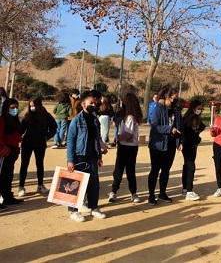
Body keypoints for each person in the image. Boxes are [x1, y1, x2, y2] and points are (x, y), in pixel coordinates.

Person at [66, 91, 107, 222]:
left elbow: (97, 139)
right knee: (75, 183)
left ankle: (94, 208)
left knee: (94, 183)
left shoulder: (95, 121)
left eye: (95, 103)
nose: (94, 105)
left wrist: (99, 156)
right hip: (79, 155)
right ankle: (73, 211)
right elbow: (71, 140)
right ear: (83, 104)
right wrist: (70, 160)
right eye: (91, 103)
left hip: (92, 156)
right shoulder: (76, 120)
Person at [147, 87, 181, 205]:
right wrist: (169, 129)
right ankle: (151, 194)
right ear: (167, 97)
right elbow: (154, 126)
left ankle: (162, 193)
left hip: (170, 145)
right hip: (158, 145)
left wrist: (179, 142)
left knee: (166, 170)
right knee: (155, 170)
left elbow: (179, 127)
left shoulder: (176, 111)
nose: (175, 100)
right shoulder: (158, 109)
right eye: (173, 98)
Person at [18, 96, 57, 196]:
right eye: (30, 106)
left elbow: (54, 127)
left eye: (34, 105)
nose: (32, 108)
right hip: (27, 143)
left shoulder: (46, 115)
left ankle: (40, 185)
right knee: (24, 164)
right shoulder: (28, 115)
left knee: (39, 164)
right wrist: (17, 138)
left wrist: (47, 136)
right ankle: (21, 186)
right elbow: (21, 129)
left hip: (40, 143)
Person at [108, 92, 143, 204]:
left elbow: (128, 133)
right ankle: (114, 191)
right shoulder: (126, 116)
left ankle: (133, 193)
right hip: (127, 146)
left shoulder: (131, 118)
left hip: (128, 147)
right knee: (120, 170)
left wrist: (118, 138)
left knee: (127, 170)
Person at [179, 100, 207, 201]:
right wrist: (197, 138)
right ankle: (189, 191)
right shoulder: (187, 119)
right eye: (198, 108)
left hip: (193, 145)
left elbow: (202, 126)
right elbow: (186, 134)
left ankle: (185, 189)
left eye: (201, 108)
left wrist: (198, 132)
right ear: (193, 108)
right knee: (190, 166)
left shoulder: (196, 118)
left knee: (187, 166)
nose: (199, 110)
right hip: (187, 145)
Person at [0, 98, 24, 207]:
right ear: (6, 108)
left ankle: (8, 197)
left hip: (12, 151)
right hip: (4, 152)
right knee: (1, 176)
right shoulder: (2, 120)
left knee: (8, 176)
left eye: (16, 107)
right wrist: (3, 149)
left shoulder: (14, 120)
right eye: (12, 108)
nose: (15, 110)